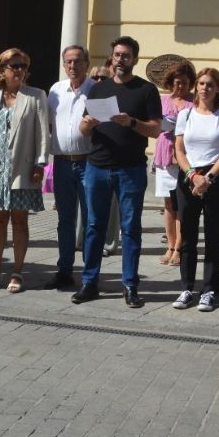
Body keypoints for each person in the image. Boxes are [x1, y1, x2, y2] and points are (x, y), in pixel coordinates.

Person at [74, 36, 162, 307]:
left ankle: (130, 285)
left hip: (130, 170)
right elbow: (83, 129)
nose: (120, 60)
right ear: (111, 58)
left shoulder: (146, 90)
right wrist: (87, 125)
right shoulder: (98, 90)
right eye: (116, 55)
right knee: (93, 227)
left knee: (131, 228)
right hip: (97, 167)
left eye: (126, 56)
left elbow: (156, 129)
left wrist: (132, 122)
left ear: (135, 59)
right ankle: (90, 282)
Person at [0, 48, 49, 293]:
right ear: (1, 70)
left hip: (22, 168)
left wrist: (40, 162)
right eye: (14, 66)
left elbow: (42, 132)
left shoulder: (36, 96)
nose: (19, 71)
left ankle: (17, 271)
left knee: (19, 220)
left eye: (23, 66)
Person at [171, 68, 219, 312]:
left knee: (213, 236)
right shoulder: (185, 115)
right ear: (195, 87)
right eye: (201, 84)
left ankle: (208, 290)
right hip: (189, 176)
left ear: (218, 88)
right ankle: (187, 287)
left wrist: (207, 178)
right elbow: (179, 150)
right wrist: (193, 176)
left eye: (210, 84)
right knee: (187, 236)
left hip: (215, 178)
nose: (204, 88)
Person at [44, 45, 95, 290]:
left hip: (89, 163)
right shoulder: (55, 90)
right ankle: (64, 270)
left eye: (77, 61)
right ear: (64, 65)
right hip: (62, 164)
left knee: (90, 220)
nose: (73, 66)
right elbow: (47, 124)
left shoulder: (96, 90)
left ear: (86, 63)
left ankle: (89, 274)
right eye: (68, 62)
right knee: (65, 220)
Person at [76, 64, 121, 257]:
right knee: (85, 205)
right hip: (87, 156)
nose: (99, 81)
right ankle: (81, 240)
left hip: (112, 158)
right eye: (96, 77)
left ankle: (109, 243)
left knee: (111, 207)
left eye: (103, 77)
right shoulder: (89, 94)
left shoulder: (116, 94)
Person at [155, 62, 195, 266]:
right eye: (178, 83)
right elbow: (154, 126)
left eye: (186, 83)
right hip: (164, 154)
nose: (181, 87)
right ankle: (170, 246)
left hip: (184, 156)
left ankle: (180, 248)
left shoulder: (194, 102)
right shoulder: (161, 100)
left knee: (182, 205)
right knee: (168, 205)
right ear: (171, 82)